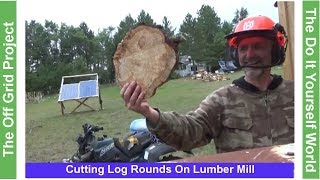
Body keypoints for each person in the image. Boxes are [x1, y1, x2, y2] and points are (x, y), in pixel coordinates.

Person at [120, 15, 294, 153]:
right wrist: (149, 113)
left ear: (275, 50)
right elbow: (189, 131)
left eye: (257, 46)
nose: (249, 54)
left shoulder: (299, 94)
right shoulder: (222, 100)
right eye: (243, 48)